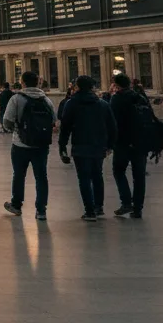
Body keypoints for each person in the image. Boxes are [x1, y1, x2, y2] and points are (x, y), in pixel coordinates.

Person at [58, 75, 115, 221]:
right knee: (97, 175)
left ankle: (89, 211)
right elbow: (112, 126)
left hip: (80, 145)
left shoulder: (71, 104)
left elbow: (65, 127)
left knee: (84, 178)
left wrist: (62, 146)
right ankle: (99, 207)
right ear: (92, 87)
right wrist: (110, 145)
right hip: (98, 145)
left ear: (77, 87)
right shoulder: (102, 104)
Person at [1, 70, 56, 220]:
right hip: (41, 145)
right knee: (41, 176)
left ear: (22, 82)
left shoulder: (17, 98)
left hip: (20, 145)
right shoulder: (46, 100)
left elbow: (7, 121)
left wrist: (16, 131)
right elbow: (53, 120)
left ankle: (17, 205)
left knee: (19, 175)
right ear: (38, 82)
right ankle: (41, 210)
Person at [110, 73, 149, 219]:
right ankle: (138, 208)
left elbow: (112, 121)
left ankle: (126, 202)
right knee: (139, 176)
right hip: (140, 142)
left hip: (122, 142)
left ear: (117, 85)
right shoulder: (140, 98)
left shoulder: (116, 99)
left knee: (119, 171)